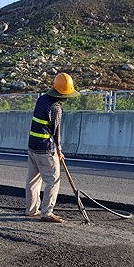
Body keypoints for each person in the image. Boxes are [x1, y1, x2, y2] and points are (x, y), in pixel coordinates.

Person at [25, 72, 80, 223]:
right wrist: (59, 150)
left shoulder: (41, 99)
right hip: (45, 149)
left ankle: (31, 210)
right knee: (53, 180)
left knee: (33, 180)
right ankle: (47, 213)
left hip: (32, 146)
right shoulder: (56, 108)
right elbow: (56, 131)